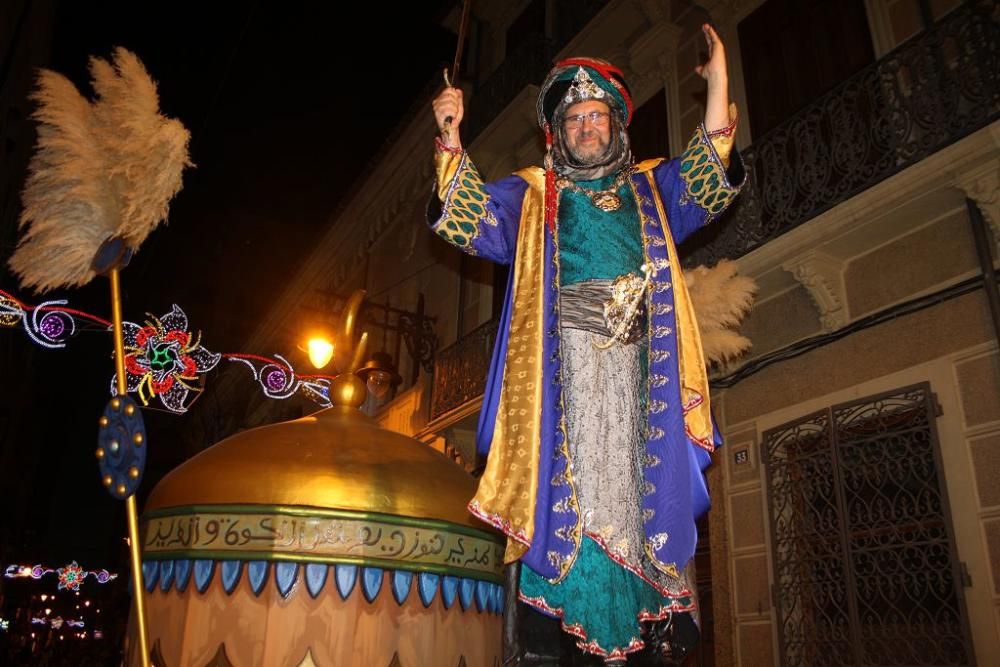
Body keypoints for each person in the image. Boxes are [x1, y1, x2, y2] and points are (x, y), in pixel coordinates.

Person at [430, 24, 745, 664]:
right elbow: (467, 220)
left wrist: (718, 87)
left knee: (642, 494)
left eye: (597, 115)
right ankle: (555, 628)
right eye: (574, 119)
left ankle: (647, 620)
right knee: (560, 494)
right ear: (558, 134)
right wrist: (450, 136)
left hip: (640, 374)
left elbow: (709, 185)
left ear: (617, 126)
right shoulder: (532, 196)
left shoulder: (652, 189)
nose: (586, 126)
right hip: (560, 376)